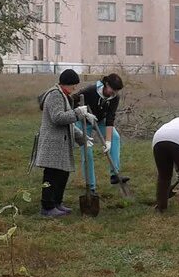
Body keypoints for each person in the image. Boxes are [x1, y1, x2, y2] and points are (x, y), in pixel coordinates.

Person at [32, 69, 96, 217]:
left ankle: (57, 203)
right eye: (73, 86)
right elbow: (58, 118)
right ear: (67, 84)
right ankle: (47, 207)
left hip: (61, 143)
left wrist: (82, 138)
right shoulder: (55, 95)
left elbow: (69, 125)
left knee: (62, 174)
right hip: (53, 143)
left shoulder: (63, 95)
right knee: (51, 175)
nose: (74, 89)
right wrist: (79, 113)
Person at [72, 73, 127, 190]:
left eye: (117, 91)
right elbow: (71, 100)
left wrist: (108, 142)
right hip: (83, 122)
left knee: (115, 137)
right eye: (113, 89)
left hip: (100, 121)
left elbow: (110, 118)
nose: (114, 93)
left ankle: (114, 174)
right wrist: (83, 112)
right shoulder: (90, 90)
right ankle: (91, 186)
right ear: (106, 84)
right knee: (87, 151)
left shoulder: (114, 98)